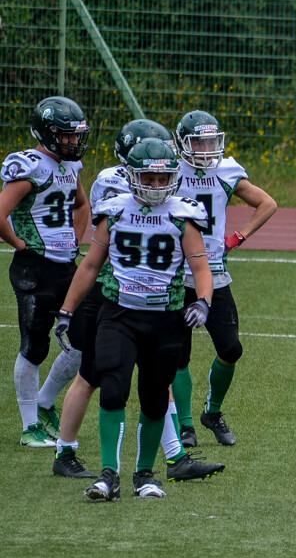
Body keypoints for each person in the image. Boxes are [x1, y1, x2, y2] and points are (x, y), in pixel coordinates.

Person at [53, 119, 225, 482]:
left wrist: (204, 301)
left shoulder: (182, 212)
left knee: (153, 385)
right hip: (109, 297)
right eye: (149, 177)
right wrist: (67, 309)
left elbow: (200, 267)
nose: (157, 185)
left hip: (157, 309)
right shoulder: (114, 201)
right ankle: (67, 450)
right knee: (96, 376)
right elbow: (91, 264)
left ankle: (170, 458)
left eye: (164, 177)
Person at [171, 110, 277, 447]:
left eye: (211, 141)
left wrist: (238, 236)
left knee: (231, 348)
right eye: (199, 141)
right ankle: (185, 425)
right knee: (178, 354)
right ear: (183, 143)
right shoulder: (169, 171)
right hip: (176, 276)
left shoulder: (226, 171)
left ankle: (212, 411)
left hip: (214, 275)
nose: (205, 148)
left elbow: (267, 203)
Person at [0, 96, 90, 448]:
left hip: (65, 265)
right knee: (34, 345)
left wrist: (74, 239)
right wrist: (18, 244)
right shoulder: (31, 166)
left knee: (85, 338)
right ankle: (29, 426)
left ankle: (44, 400)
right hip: (34, 267)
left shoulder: (71, 167)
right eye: (67, 136)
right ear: (47, 133)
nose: (73, 142)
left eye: (75, 136)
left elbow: (82, 205)